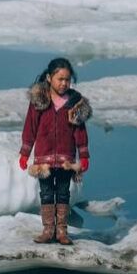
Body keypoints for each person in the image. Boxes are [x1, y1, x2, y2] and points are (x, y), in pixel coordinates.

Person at [18, 57, 92, 245]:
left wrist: (83, 155)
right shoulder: (39, 100)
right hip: (44, 157)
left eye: (67, 79)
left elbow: (80, 131)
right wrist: (25, 152)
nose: (64, 83)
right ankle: (48, 230)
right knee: (46, 193)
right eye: (60, 79)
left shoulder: (75, 102)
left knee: (63, 192)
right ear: (50, 78)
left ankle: (61, 231)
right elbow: (30, 127)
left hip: (66, 158)